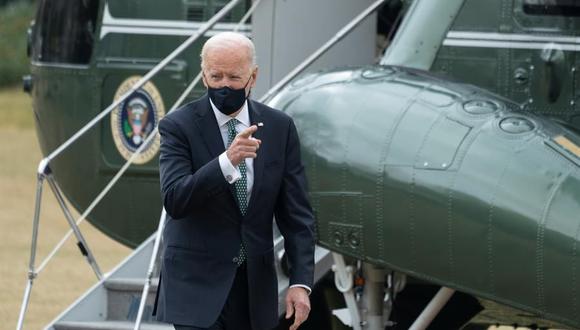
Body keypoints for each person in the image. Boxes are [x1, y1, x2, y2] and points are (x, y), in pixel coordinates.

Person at [153, 32, 316, 330]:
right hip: (196, 287)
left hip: (254, 288)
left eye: (234, 76)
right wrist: (227, 162)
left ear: (253, 77)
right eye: (216, 76)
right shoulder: (178, 126)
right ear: (203, 76)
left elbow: (297, 216)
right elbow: (176, 199)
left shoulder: (280, 128)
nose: (224, 85)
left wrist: (301, 282)